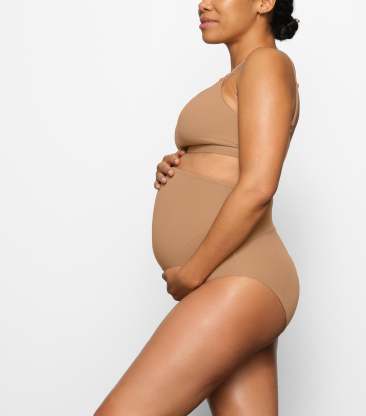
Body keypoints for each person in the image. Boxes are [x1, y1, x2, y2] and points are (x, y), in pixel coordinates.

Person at [94, 0, 300, 414]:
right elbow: (231, 159)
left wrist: (192, 273)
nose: (203, 3)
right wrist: (183, 164)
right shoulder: (241, 76)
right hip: (228, 277)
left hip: (239, 275)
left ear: (264, 2)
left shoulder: (267, 65)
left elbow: (259, 186)